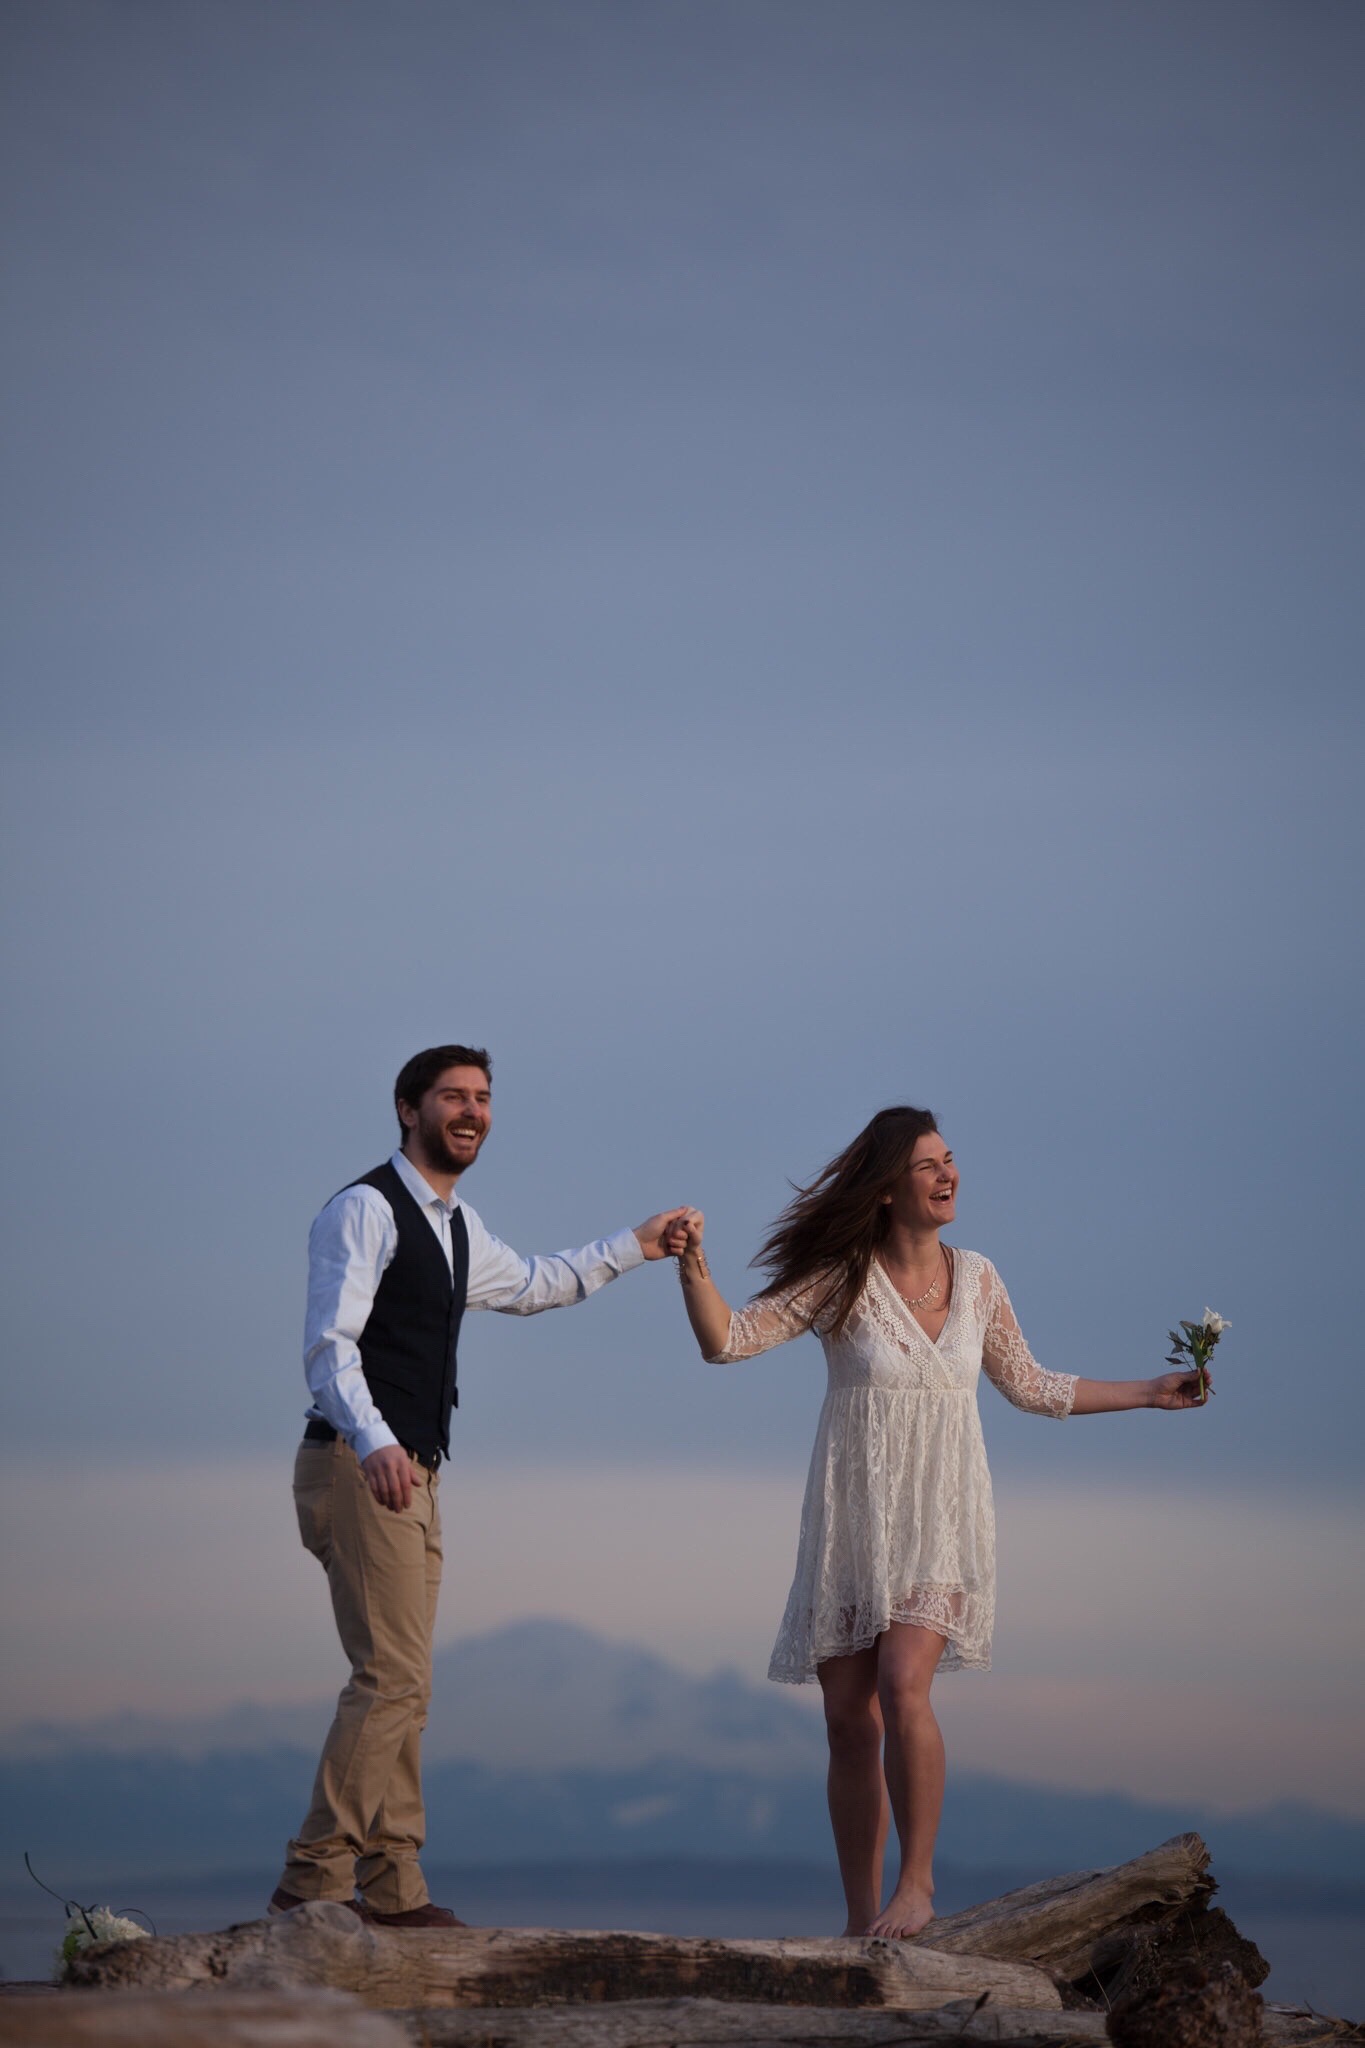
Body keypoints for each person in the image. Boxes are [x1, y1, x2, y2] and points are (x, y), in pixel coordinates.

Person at [674, 1105, 1209, 1941]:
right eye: (928, 1165)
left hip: (939, 1518)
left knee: (901, 1685)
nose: (947, 1174)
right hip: (854, 1519)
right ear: (888, 1188)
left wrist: (1148, 1391)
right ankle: (859, 1923)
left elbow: (1030, 1386)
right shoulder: (840, 1278)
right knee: (848, 1721)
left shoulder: (980, 1278)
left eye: (949, 1159)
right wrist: (691, 1267)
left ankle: (916, 1887)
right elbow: (727, 1341)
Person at [272, 1043, 691, 1926]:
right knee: (386, 1679)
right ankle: (312, 1884)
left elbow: (540, 1283)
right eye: (452, 1096)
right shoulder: (363, 1209)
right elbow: (328, 1348)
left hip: (415, 1473)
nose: (471, 1111)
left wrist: (636, 1245)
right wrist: (378, 1439)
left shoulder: (455, 1227)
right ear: (406, 1108)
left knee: (407, 1688)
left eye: (483, 1099)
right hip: (358, 1464)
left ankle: (392, 1892)